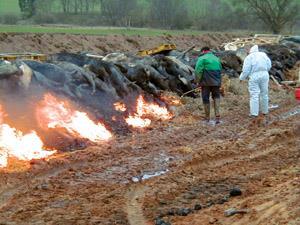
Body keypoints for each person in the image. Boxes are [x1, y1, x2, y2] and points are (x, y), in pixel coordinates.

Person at [239, 45, 272, 119]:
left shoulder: (249, 57)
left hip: (254, 75)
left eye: (247, 49)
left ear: (250, 49)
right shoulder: (263, 54)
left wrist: (241, 78)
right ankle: (265, 111)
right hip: (265, 74)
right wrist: (265, 71)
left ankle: (254, 113)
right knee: (264, 93)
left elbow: (246, 70)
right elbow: (269, 65)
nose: (246, 51)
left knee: (254, 94)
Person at [195, 46, 222, 123]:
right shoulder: (216, 58)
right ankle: (217, 116)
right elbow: (220, 70)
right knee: (216, 96)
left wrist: (197, 81)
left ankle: (207, 118)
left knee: (205, 98)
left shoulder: (202, 58)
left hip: (206, 82)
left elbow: (198, 70)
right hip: (216, 81)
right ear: (209, 50)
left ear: (203, 51)